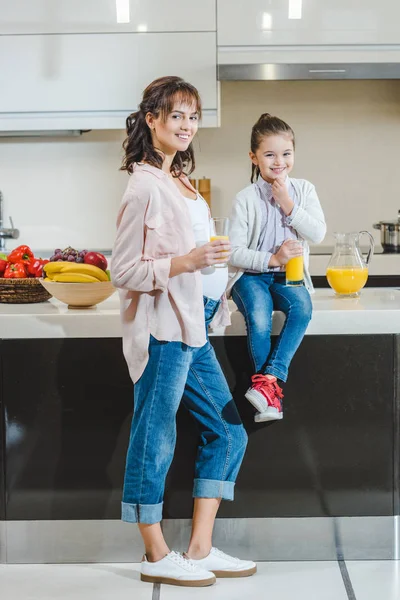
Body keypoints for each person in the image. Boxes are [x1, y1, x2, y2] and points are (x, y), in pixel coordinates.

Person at [111, 76, 255, 587]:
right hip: (161, 330)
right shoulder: (144, 185)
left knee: (229, 430)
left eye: (193, 116)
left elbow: (196, 257)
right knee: (155, 436)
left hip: (193, 329)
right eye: (177, 116)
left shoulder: (180, 180)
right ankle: (154, 553)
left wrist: (212, 272)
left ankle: (198, 549)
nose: (187, 126)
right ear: (152, 119)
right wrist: (188, 261)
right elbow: (123, 270)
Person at [228, 113, 326, 423]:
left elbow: (318, 233)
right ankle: (269, 394)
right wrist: (272, 259)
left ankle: (267, 385)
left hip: (291, 277)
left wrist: (288, 204)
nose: (278, 161)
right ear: (254, 157)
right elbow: (233, 252)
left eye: (286, 153)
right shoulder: (245, 199)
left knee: (302, 309)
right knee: (258, 316)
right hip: (252, 277)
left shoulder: (304, 191)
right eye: (269, 154)